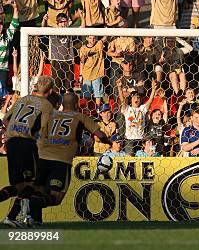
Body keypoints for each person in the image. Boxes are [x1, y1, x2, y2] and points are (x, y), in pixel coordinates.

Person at [24, 92, 109, 225]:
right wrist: (109, 142)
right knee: (56, 198)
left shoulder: (50, 115)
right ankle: (33, 206)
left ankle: (35, 219)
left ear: (62, 104)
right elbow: (100, 135)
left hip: (41, 158)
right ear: (76, 104)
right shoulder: (80, 116)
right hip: (61, 160)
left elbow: (36, 132)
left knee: (39, 190)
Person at [0, 76, 54, 227]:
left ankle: (18, 217)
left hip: (10, 141)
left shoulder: (23, 99)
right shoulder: (46, 105)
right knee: (33, 183)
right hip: (26, 142)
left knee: (18, 185)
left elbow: (5, 120)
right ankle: (18, 217)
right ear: (50, 91)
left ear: (36, 87)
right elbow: (44, 130)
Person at [117, 80, 158, 155]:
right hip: (129, 140)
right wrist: (119, 88)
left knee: (141, 158)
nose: (136, 99)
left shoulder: (142, 109)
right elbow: (122, 100)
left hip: (140, 139)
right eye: (134, 97)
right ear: (131, 99)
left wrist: (154, 89)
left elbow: (150, 100)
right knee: (130, 159)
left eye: (138, 97)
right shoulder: (127, 109)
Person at [79, 36, 106, 107]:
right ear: (87, 38)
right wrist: (80, 75)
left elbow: (105, 37)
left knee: (98, 94)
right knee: (86, 94)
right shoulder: (83, 48)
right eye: (90, 38)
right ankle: (87, 109)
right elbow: (81, 62)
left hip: (97, 73)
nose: (92, 40)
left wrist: (108, 27)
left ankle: (97, 109)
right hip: (86, 73)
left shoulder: (98, 44)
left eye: (94, 38)